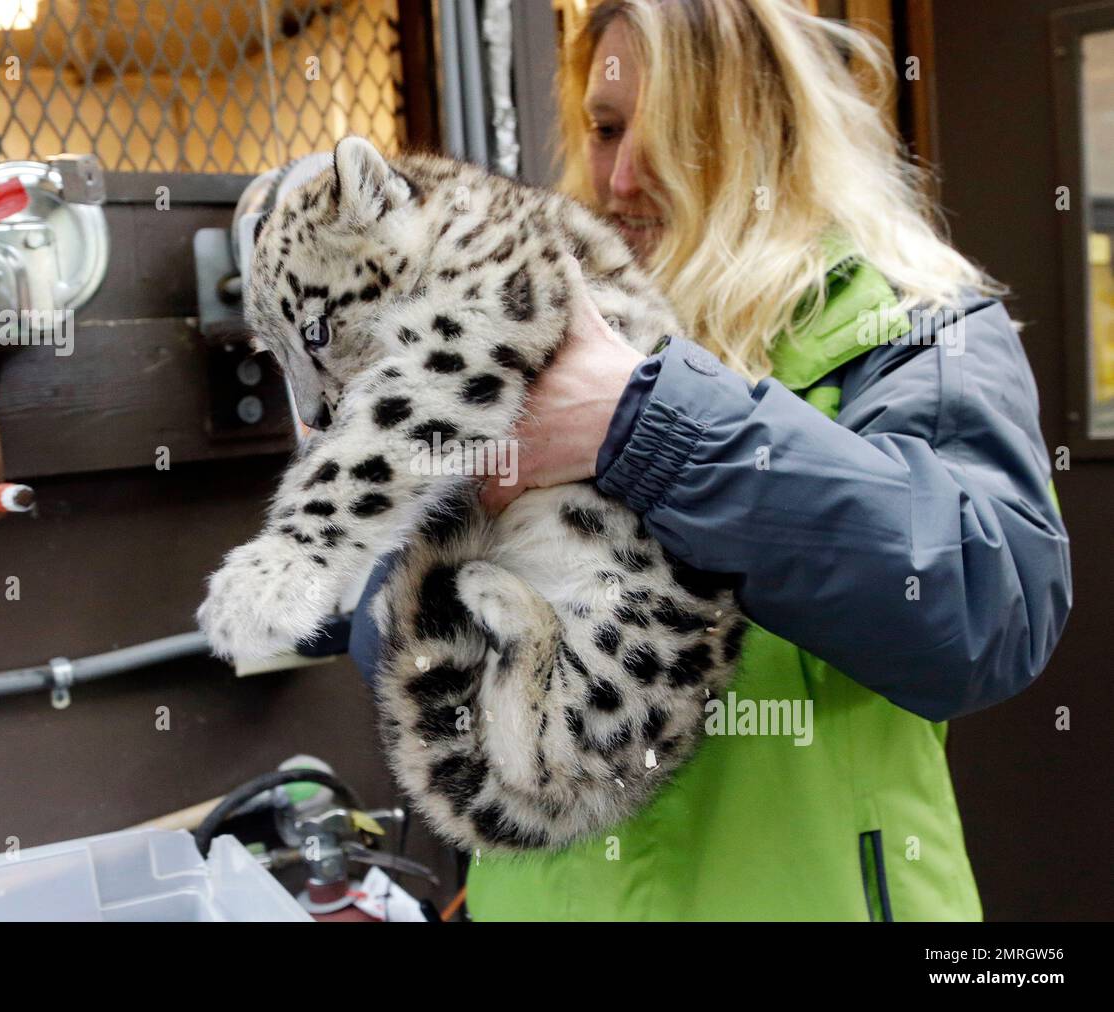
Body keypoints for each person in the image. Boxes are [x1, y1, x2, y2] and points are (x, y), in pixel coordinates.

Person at [349, 0, 1072, 920]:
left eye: (678, 136)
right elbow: (391, 656)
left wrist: (645, 427)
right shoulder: (526, 335)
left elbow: (984, 609)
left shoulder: (912, 324)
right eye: (606, 130)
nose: (619, 176)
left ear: (775, 138)